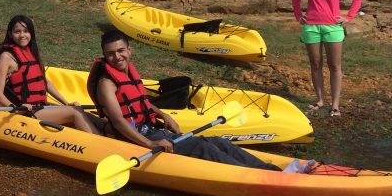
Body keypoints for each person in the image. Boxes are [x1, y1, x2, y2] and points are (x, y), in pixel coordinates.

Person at [89, 29, 301, 172]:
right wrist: (151, 143)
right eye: (110, 54)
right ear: (104, 56)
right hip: (136, 139)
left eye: (120, 51)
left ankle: (270, 171)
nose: (117, 57)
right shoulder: (106, 84)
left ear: (129, 50)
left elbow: (141, 101)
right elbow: (118, 121)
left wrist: (162, 114)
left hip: (152, 129)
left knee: (218, 142)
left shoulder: (128, 73)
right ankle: (266, 176)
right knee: (203, 149)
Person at [0, 15, 103, 135]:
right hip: (25, 111)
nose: (22, 35)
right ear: (10, 34)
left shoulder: (31, 52)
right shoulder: (6, 58)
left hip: (41, 107)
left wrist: (65, 103)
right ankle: (102, 144)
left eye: (26, 31)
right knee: (75, 113)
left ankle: (116, 134)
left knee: (81, 111)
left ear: (31, 33)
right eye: (17, 31)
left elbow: (45, 83)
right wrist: (15, 107)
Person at [291, 0, 363, 117]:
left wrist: (349, 16)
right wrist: (299, 15)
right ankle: (320, 100)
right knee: (315, 65)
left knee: (335, 66)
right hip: (312, 27)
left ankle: (335, 105)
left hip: (333, 27)